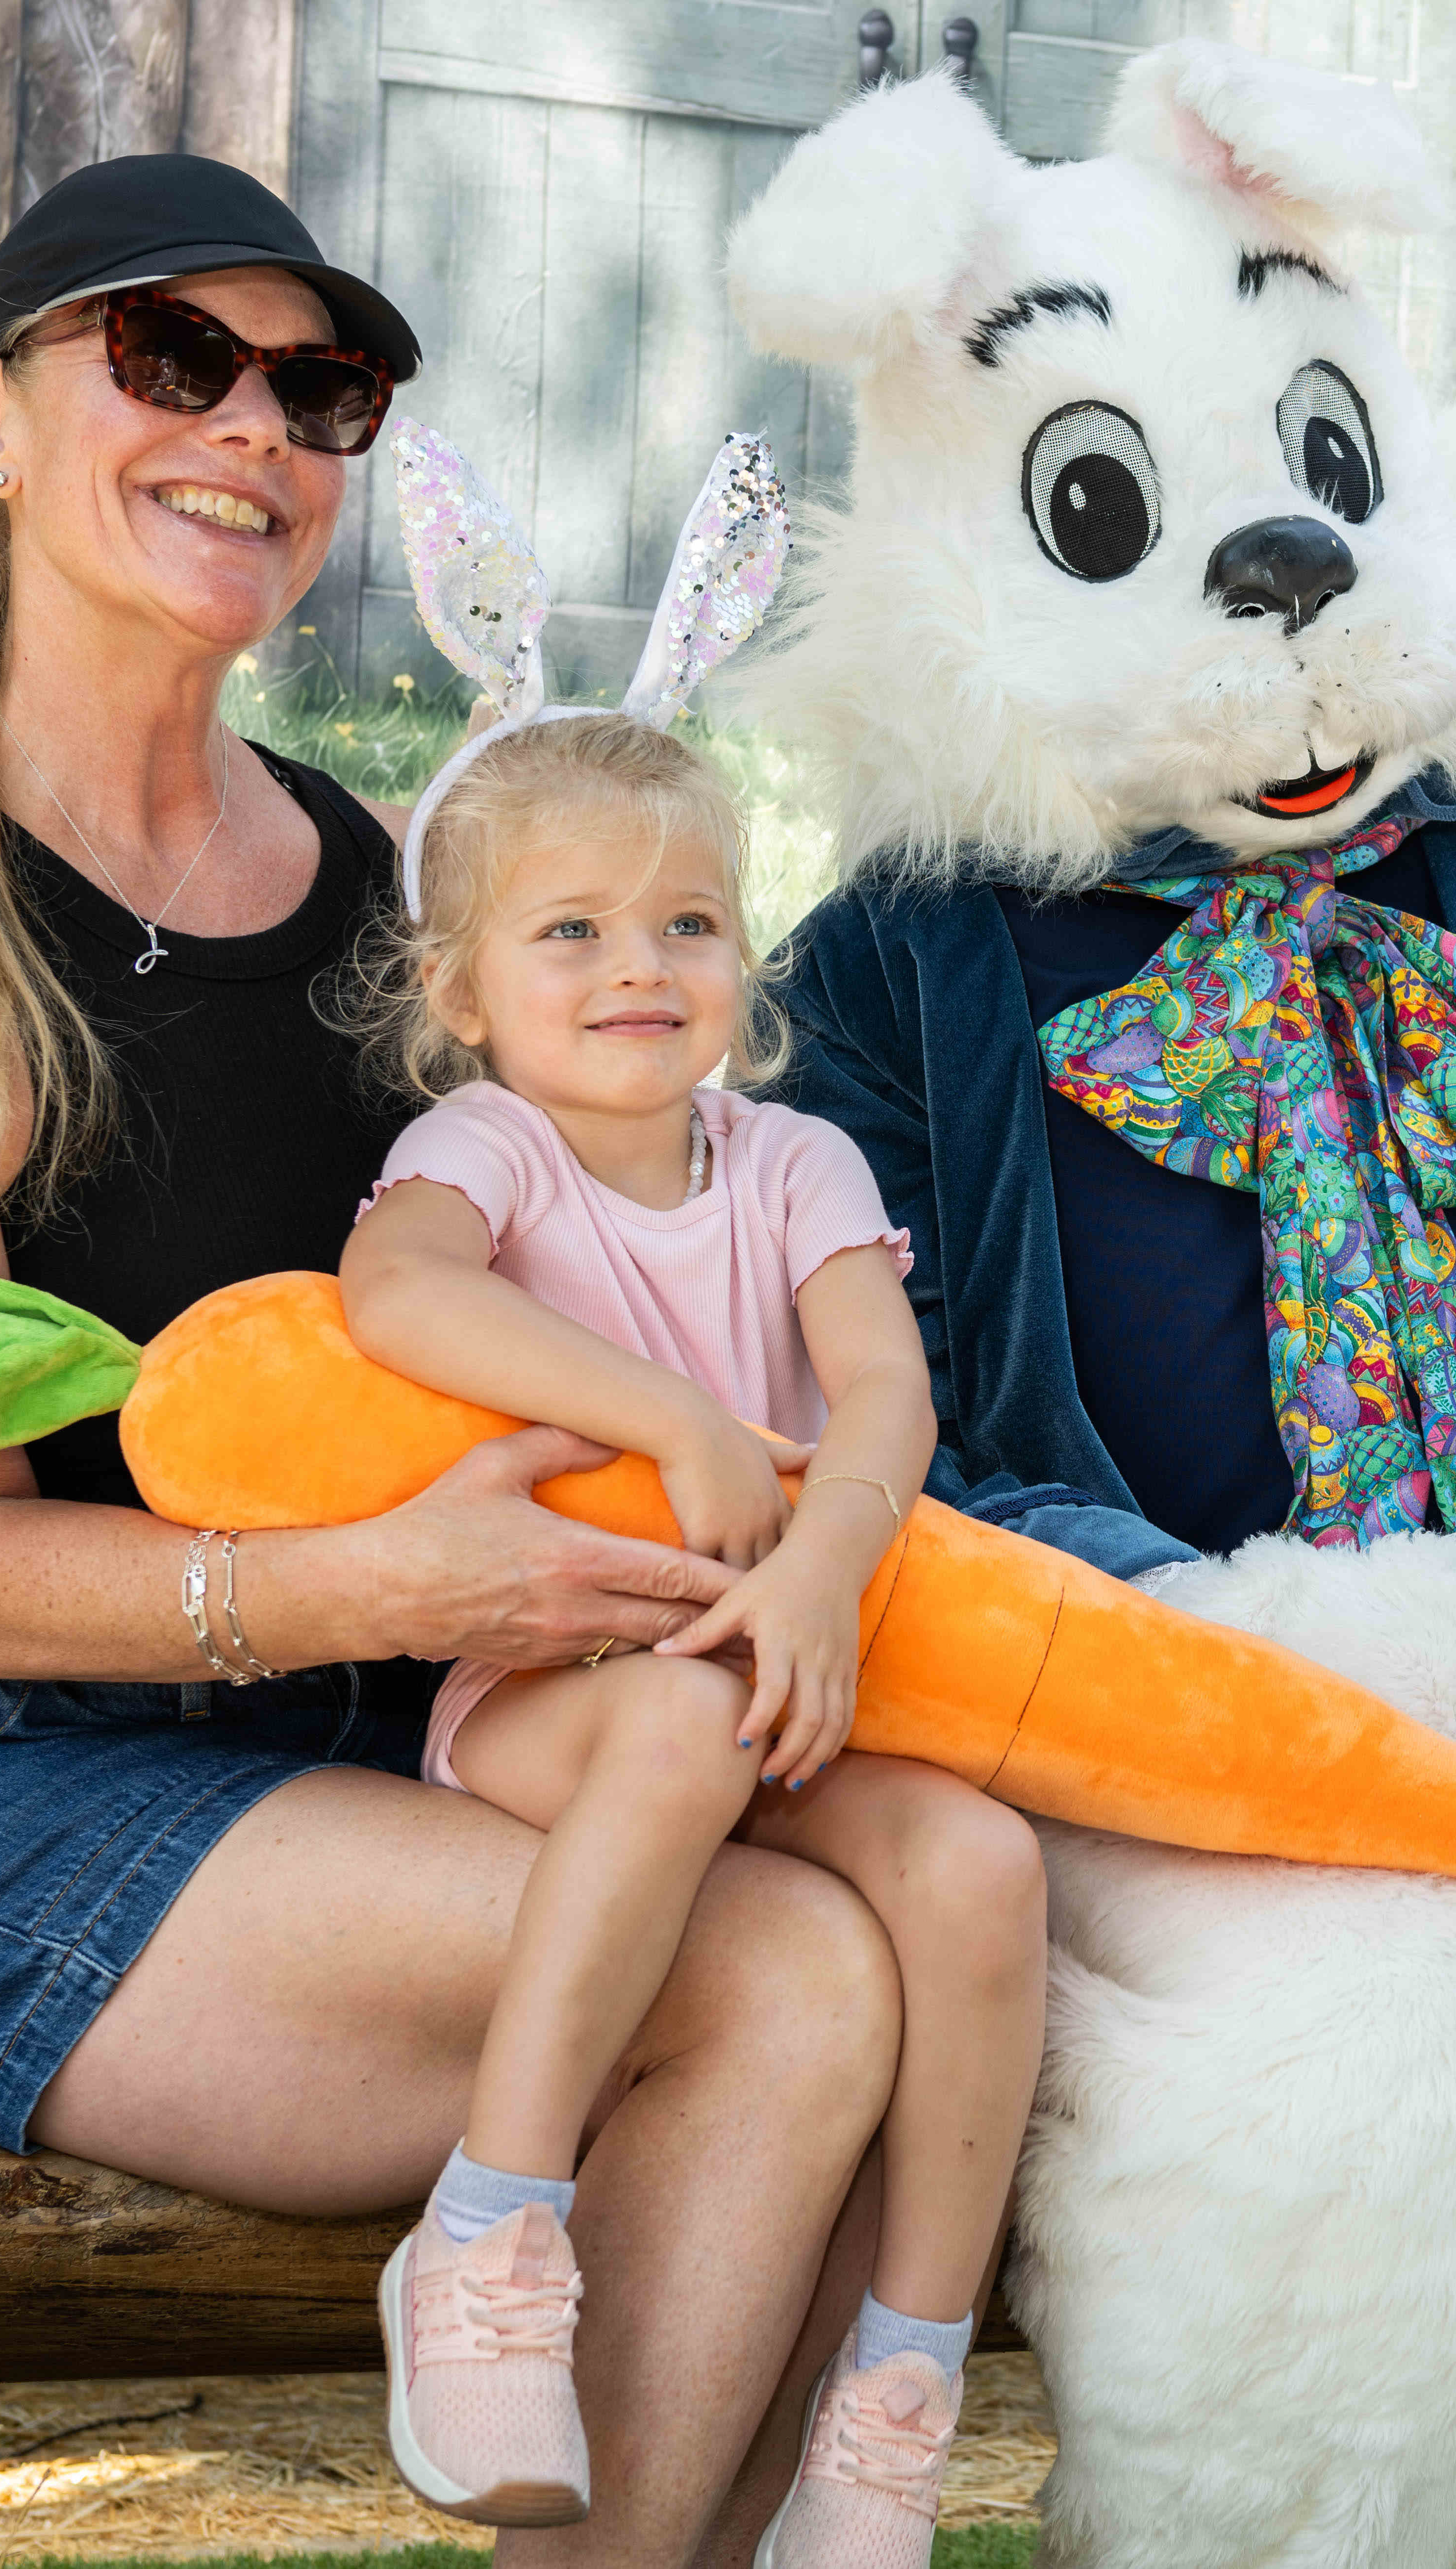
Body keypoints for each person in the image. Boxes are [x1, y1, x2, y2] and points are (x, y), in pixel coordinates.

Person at [0, 155, 903, 2568]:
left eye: (318, 386)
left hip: (394, 1741)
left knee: (925, 1902)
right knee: (775, 1977)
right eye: (174, 358)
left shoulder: (373, 881)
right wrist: (386, 1588)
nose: (253, 425)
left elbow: (583, 1257)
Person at [338, 711, 1043, 2557]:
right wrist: (679, 1422)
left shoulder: (796, 1163)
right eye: (570, 929)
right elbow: (395, 1296)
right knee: (673, 1725)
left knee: (977, 1866)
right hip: (554, 1689)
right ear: (461, 991)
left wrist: (819, 1572)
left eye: (689, 924)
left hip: (775, 1672)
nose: (638, 967)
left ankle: (897, 2398)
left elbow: (882, 1395)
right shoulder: (488, 1146)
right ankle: (489, 2224)